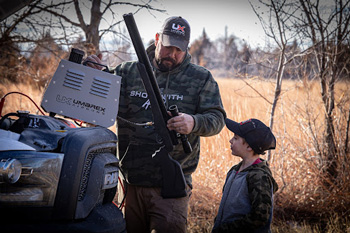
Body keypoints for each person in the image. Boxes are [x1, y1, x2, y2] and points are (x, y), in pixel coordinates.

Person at [85, 16, 226, 233]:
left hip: (171, 187)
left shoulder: (201, 78)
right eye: (168, 47)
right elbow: (99, 103)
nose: (173, 54)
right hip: (131, 183)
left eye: (179, 50)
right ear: (158, 39)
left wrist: (193, 122)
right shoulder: (127, 71)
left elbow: (217, 119)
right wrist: (94, 74)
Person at [212, 118, 278, 233]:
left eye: (236, 138)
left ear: (249, 147)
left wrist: (226, 229)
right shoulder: (234, 171)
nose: (230, 140)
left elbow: (260, 217)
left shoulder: (259, 177)